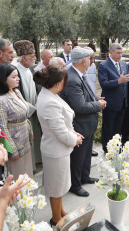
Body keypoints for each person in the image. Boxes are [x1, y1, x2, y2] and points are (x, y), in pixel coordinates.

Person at [34, 64, 83, 226]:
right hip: (56, 150)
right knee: (56, 188)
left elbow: (62, 124)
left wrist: (74, 133)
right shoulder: (49, 101)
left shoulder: (49, 94)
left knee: (60, 185)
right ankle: (56, 219)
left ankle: (61, 211)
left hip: (58, 149)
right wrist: (74, 139)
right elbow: (60, 132)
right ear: (58, 83)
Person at [61, 47, 105, 197]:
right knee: (78, 157)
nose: (91, 62)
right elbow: (79, 107)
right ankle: (75, 184)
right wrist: (98, 105)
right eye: (90, 59)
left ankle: (85, 177)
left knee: (86, 154)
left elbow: (84, 99)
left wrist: (95, 100)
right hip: (80, 124)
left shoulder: (78, 74)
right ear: (84, 61)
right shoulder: (72, 79)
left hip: (87, 124)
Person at [0, 64, 33, 179]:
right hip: (15, 143)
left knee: (28, 175)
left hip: (25, 140)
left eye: (17, 76)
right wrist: (12, 150)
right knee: (18, 177)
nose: (18, 79)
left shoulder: (16, 92)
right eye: (14, 77)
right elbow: (2, 127)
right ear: (4, 79)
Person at [14, 40, 42, 171]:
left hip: (35, 109)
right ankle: (32, 167)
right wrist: (32, 109)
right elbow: (16, 94)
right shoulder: (16, 71)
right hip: (27, 111)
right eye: (32, 55)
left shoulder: (30, 69)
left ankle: (38, 161)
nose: (34, 57)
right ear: (24, 57)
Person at [98, 43, 129, 153]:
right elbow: (104, 84)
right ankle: (107, 149)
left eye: (121, 53)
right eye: (118, 53)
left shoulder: (123, 64)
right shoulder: (103, 65)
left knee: (118, 128)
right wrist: (118, 81)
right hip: (110, 104)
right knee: (108, 127)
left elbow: (124, 81)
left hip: (122, 102)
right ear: (110, 52)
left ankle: (117, 147)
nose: (120, 55)